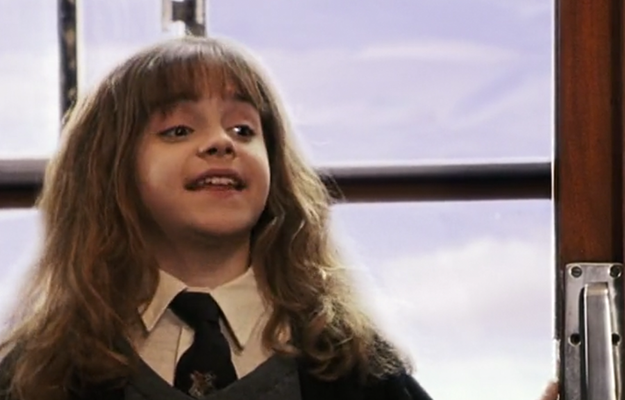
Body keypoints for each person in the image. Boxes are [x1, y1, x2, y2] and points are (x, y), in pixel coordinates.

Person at [0, 36, 433, 400]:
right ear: (111, 171)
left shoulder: (357, 366)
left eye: (243, 129)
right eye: (178, 130)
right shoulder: (38, 375)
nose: (221, 143)